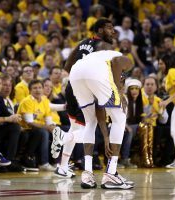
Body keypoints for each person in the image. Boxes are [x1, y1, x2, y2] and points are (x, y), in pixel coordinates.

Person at [50, 18, 116, 178]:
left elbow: (67, 65)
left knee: (76, 127)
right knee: (89, 128)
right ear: (100, 30)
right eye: (109, 28)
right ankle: (63, 136)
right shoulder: (104, 47)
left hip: (72, 85)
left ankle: (62, 167)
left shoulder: (83, 43)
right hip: (86, 89)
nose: (113, 31)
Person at [69, 48, 133, 189]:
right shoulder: (123, 59)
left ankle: (87, 174)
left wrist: (105, 138)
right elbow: (118, 62)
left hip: (75, 73)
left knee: (89, 122)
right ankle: (110, 173)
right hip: (91, 72)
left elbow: (99, 110)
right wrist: (119, 91)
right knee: (120, 117)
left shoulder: (101, 63)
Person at [17, 79, 55, 172]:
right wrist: (47, 127)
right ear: (30, 90)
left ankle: (58, 162)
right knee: (44, 132)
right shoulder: (27, 101)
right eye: (35, 88)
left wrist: (53, 127)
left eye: (39, 88)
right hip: (24, 129)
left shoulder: (45, 100)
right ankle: (44, 163)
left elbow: (48, 120)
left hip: (37, 129)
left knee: (58, 132)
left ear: (43, 89)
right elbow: (29, 122)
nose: (38, 90)